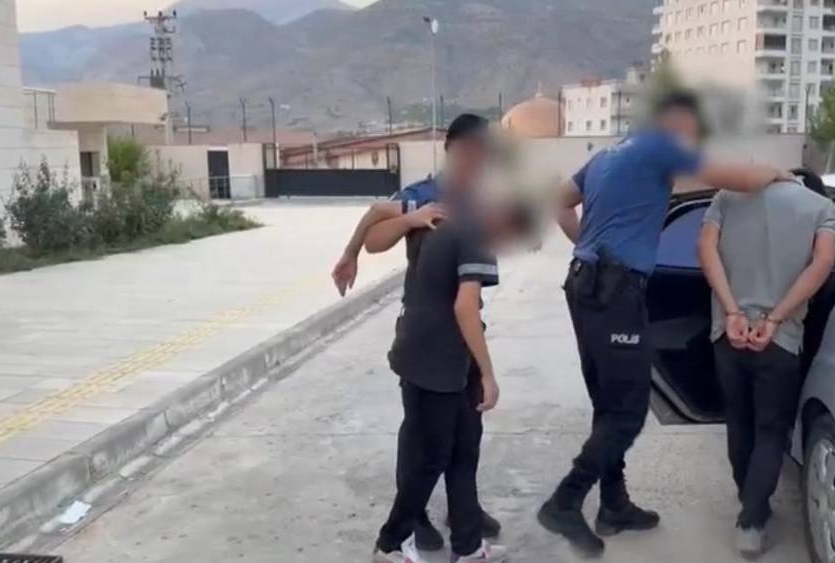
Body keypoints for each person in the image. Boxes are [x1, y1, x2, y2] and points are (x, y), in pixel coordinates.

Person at [538, 92, 791, 557]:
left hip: (583, 286)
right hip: (615, 293)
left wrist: (588, 250)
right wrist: (776, 173)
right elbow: (737, 178)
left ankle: (614, 505)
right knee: (628, 411)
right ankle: (565, 501)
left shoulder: (609, 154)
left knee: (608, 402)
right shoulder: (662, 147)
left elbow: (559, 203)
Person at [331, 114, 502, 551]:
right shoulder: (424, 195)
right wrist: (411, 219)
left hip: (460, 340)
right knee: (423, 441)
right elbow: (376, 233)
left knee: (466, 437)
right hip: (428, 339)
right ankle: (414, 521)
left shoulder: (479, 204)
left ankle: (464, 519)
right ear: (452, 150)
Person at [371, 198, 536, 563]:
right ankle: (390, 544)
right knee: (431, 458)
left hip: (435, 354)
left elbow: (377, 214)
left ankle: (468, 547)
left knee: (463, 449)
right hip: (436, 360)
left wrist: (407, 219)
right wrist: (489, 373)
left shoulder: (443, 214)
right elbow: (465, 307)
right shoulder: (478, 232)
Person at [697, 171, 835, 558]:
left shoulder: (727, 197)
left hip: (728, 332)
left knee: (738, 422)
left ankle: (751, 501)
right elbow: (824, 263)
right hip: (779, 339)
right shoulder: (821, 207)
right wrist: (776, 317)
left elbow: (705, 250)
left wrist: (731, 311)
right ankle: (751, 522)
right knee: (770, 430)